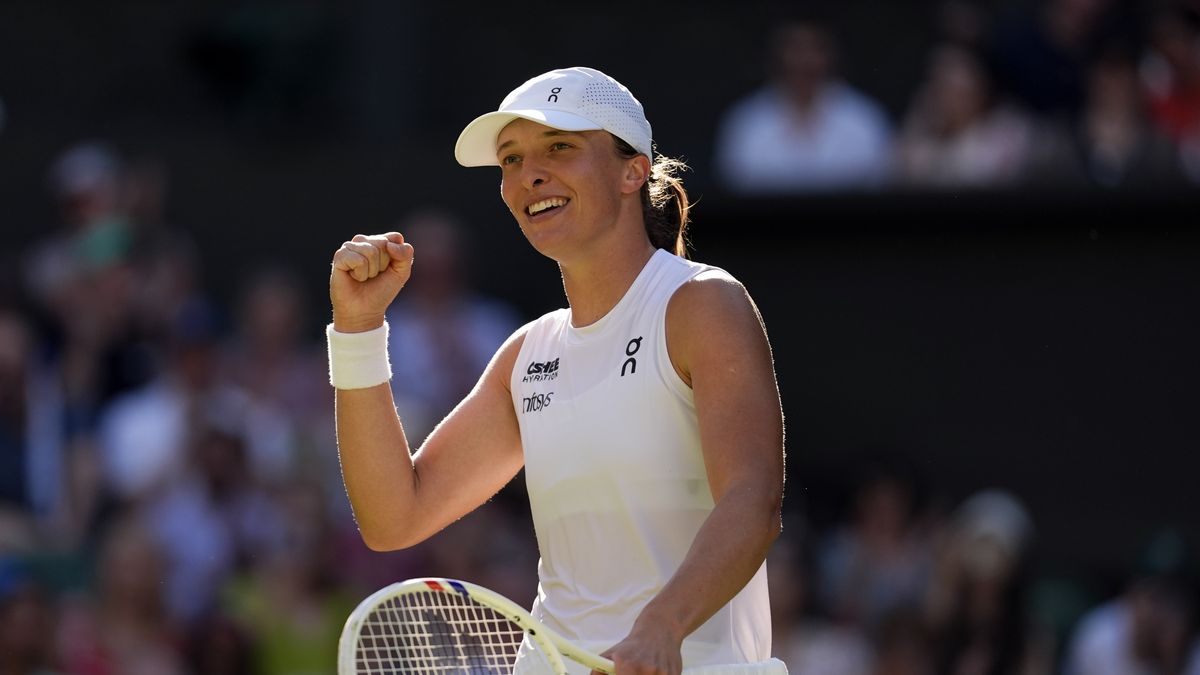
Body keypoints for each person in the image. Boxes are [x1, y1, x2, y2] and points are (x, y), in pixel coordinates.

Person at [326, 66, 787, 675]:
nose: (529, 174)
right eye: (511, 159)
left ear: (633, 170)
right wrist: (357, 331)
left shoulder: (703, 304)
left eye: (559, 148)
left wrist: (661, 627)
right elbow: (393, 517)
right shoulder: (528, 353)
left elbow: (754, 498)